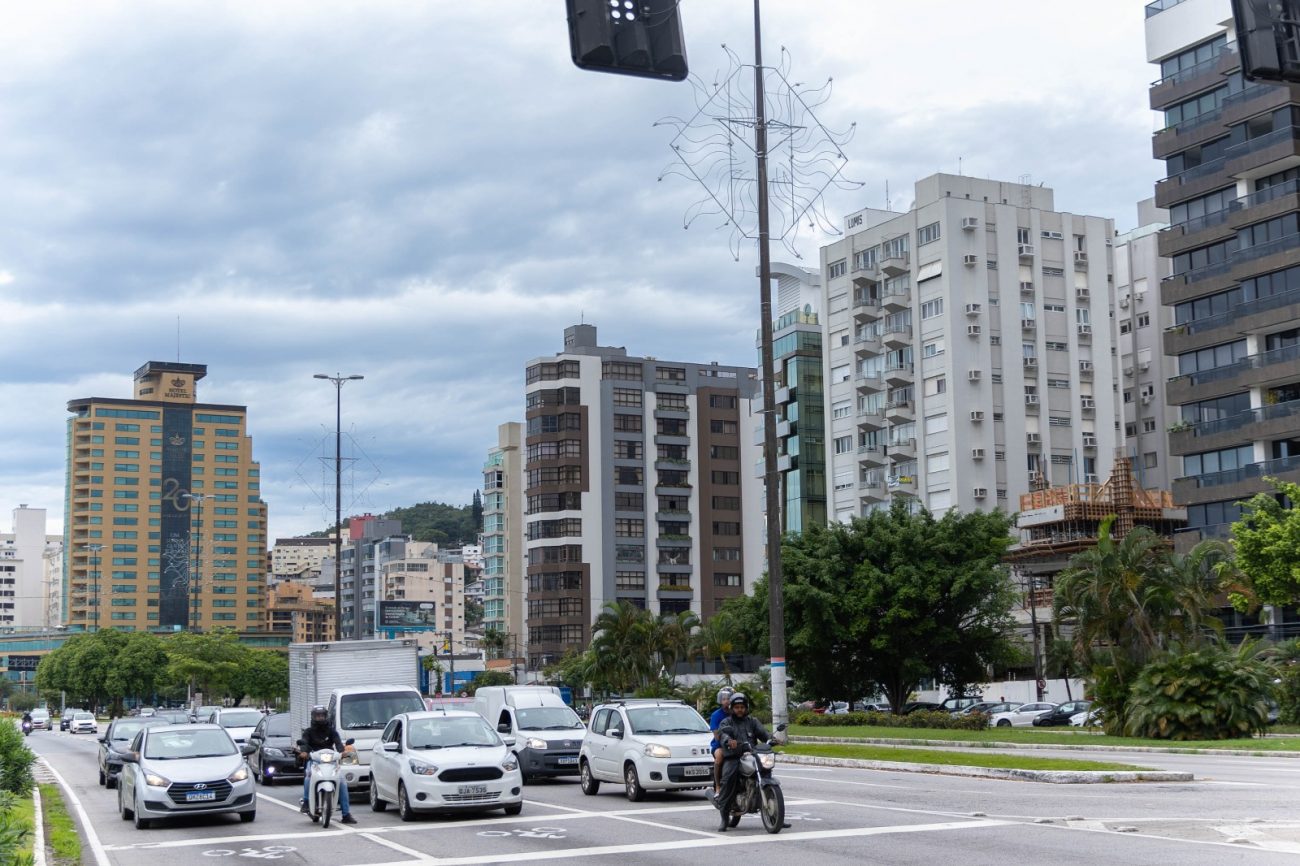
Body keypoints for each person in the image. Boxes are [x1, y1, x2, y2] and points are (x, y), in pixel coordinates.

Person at [712, 692, 773, 833]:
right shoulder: (726, 722)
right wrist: (728, 741)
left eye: (742, 707)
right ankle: (724, 817)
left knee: (766, 771)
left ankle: (775, 815)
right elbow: (722, 734)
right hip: (733, 756)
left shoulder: (752, 721)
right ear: (732, 708)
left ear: (746, 708)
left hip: (751, 754)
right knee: (728, 779)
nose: (740, 710)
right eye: (737, 707)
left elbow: (763, 733)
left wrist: (772, 739)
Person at [297, 705, 357, 825]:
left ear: (326, 716)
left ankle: (346, 814)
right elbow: (304, 743)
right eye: (317, 716)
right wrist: (304, 752)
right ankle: (306, 802)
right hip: (314, 760)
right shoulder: (308, 732)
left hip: (331, 761)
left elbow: (338, 743)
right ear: (313, 717)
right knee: (308, 776)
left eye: (322, 715)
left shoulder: (331, 731)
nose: (320, 718)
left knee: (342, 782)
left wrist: (343, 751)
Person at [706, 687, 733, 797]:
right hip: (720, 745)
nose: (726, 701)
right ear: (720, 701)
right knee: (719, 757)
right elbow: (717, 736)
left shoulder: (736, 713)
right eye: (724, 699)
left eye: (728, 698)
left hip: (737, 743)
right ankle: (718, 786)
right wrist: (727, 739)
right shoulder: (716, 715)